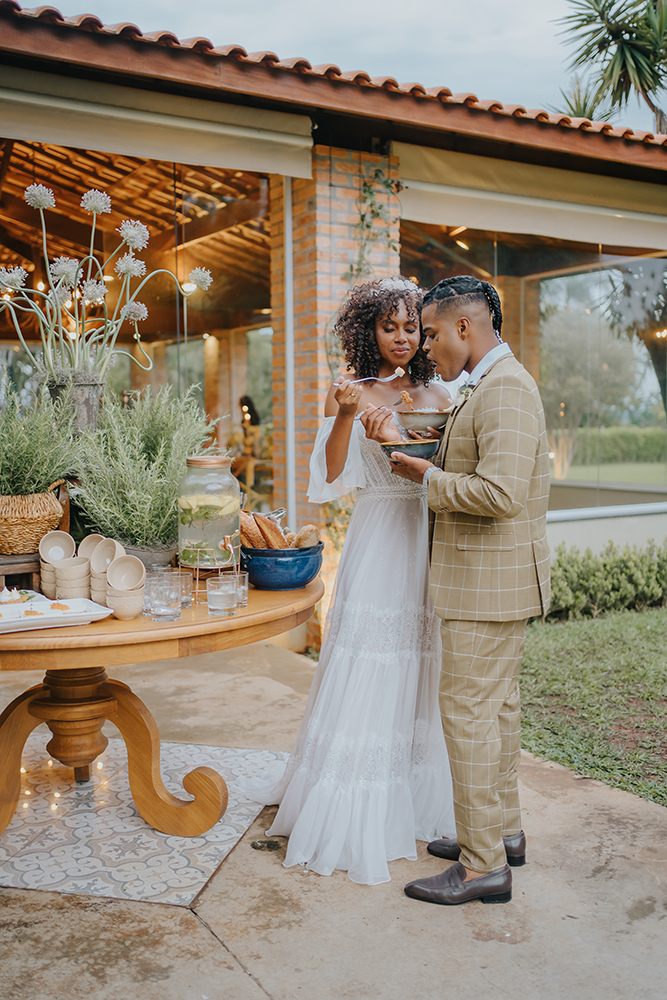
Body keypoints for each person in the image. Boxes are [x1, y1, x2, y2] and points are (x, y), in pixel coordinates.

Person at [241, 276, 456, 885]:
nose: (401, 338)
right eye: (389, 327)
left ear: (424, 332)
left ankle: (413, 797)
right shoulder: (353, 392)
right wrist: (341, 416)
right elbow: (331, 472)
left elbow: (452, 466)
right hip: (380, 533)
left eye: (411, 327)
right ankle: (357, 802)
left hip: (429, 531)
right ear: (369, 332)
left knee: (421, 659)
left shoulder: (442, 390)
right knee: (372, 657)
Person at [362, 275, 551, 905]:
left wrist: (425, 474)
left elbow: (499, 495)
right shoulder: (488, 387)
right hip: (487, 582)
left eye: (435, 333)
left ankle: (480, 866)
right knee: (495, 713)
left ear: (464, 328)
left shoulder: (506, 390)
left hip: (487, 586)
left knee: (469, 716)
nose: (429, 347)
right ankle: (501, 834)